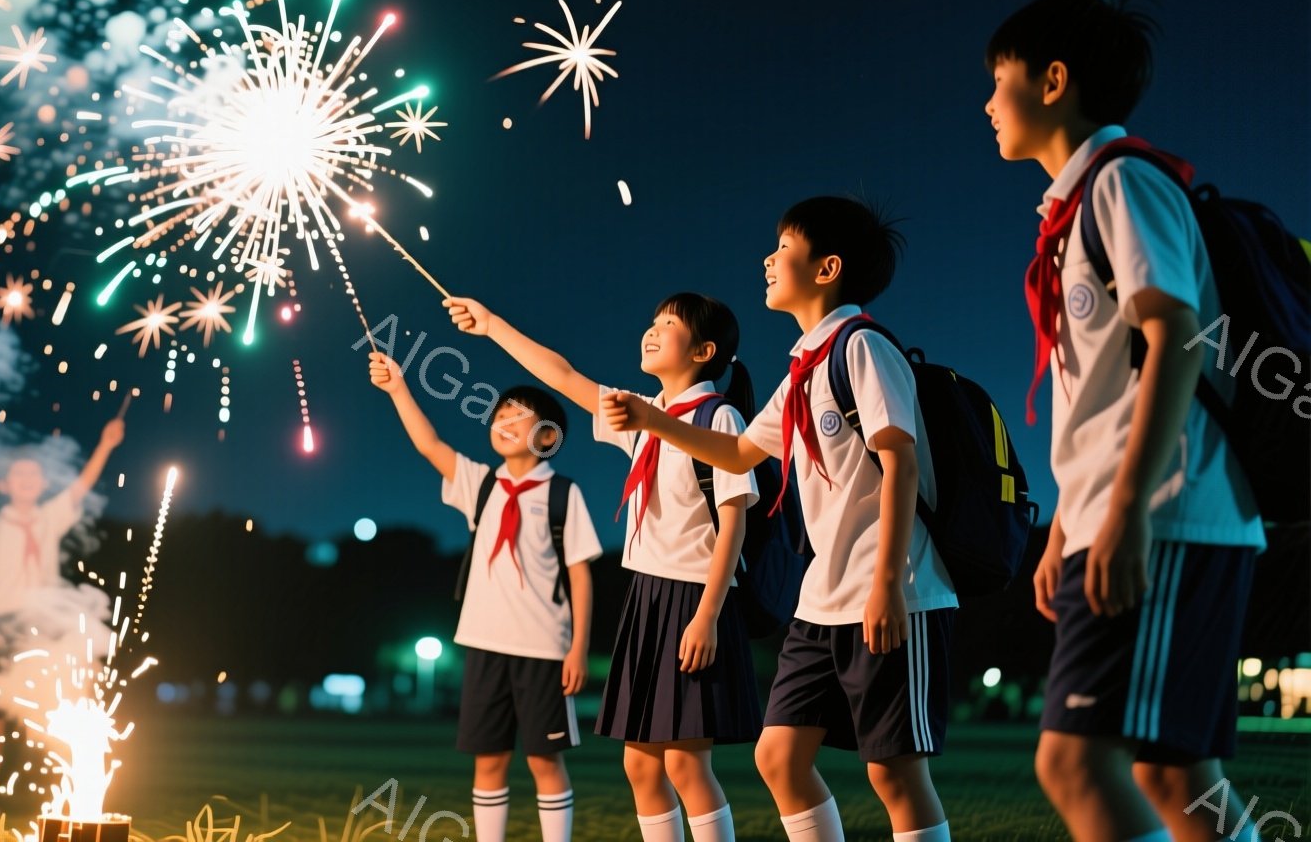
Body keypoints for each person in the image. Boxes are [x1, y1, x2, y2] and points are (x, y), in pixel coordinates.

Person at [984, 0, 1264, 842]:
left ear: (1054, 81)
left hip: (1165, 511)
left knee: (1075, 761)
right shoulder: (1075, 211)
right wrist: (1069, 521)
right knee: (1175, 773)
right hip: (1138, 510)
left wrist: (1128, 513)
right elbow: (1103, 390)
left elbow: (1175, 332)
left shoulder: (1122, 183)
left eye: (999, 83)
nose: (988, 105)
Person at [602, 198, 957, 842]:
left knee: (895, 774)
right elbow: (739, 452)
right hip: (822, 600)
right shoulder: (803, 370)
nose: (767, 260)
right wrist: (654, 419)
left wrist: (884, 585)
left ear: (826, 269)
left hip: (894, 589)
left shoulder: (863, 348)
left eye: (782, 249)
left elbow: (899, 460)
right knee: (778, 757)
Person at [445, 292, 760, 842]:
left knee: (687, 765)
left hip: (694, 598)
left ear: (705, 350)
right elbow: (563, 375)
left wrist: (708, 615)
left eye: (670, 324)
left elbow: (734, 519)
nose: (652, 330)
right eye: (652, 320)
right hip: (649, 598)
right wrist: (492, 325)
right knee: (640, 766)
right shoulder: (640, 415)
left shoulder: (718, 415)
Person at [369, 354, 598, 842]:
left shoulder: (563, 494)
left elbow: (580, 575)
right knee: (489, 759)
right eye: (500, 416)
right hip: (484, 644)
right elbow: (430, 445)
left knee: (544, 759)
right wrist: (398, 390)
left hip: (544, 650)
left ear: (548, 437)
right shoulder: (482, 484)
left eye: (519, 417)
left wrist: (578, 648)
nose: (504, 423)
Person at [0, 417, 125, 813]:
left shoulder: (49, 516)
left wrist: (105, 445)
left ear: (42, 484)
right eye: (18, 473)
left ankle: (46, 791)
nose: (27, 478)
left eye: (34, 474)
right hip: (4, 622)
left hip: (48, 622)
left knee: (48, 707)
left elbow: (81, 487)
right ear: (4, 484)